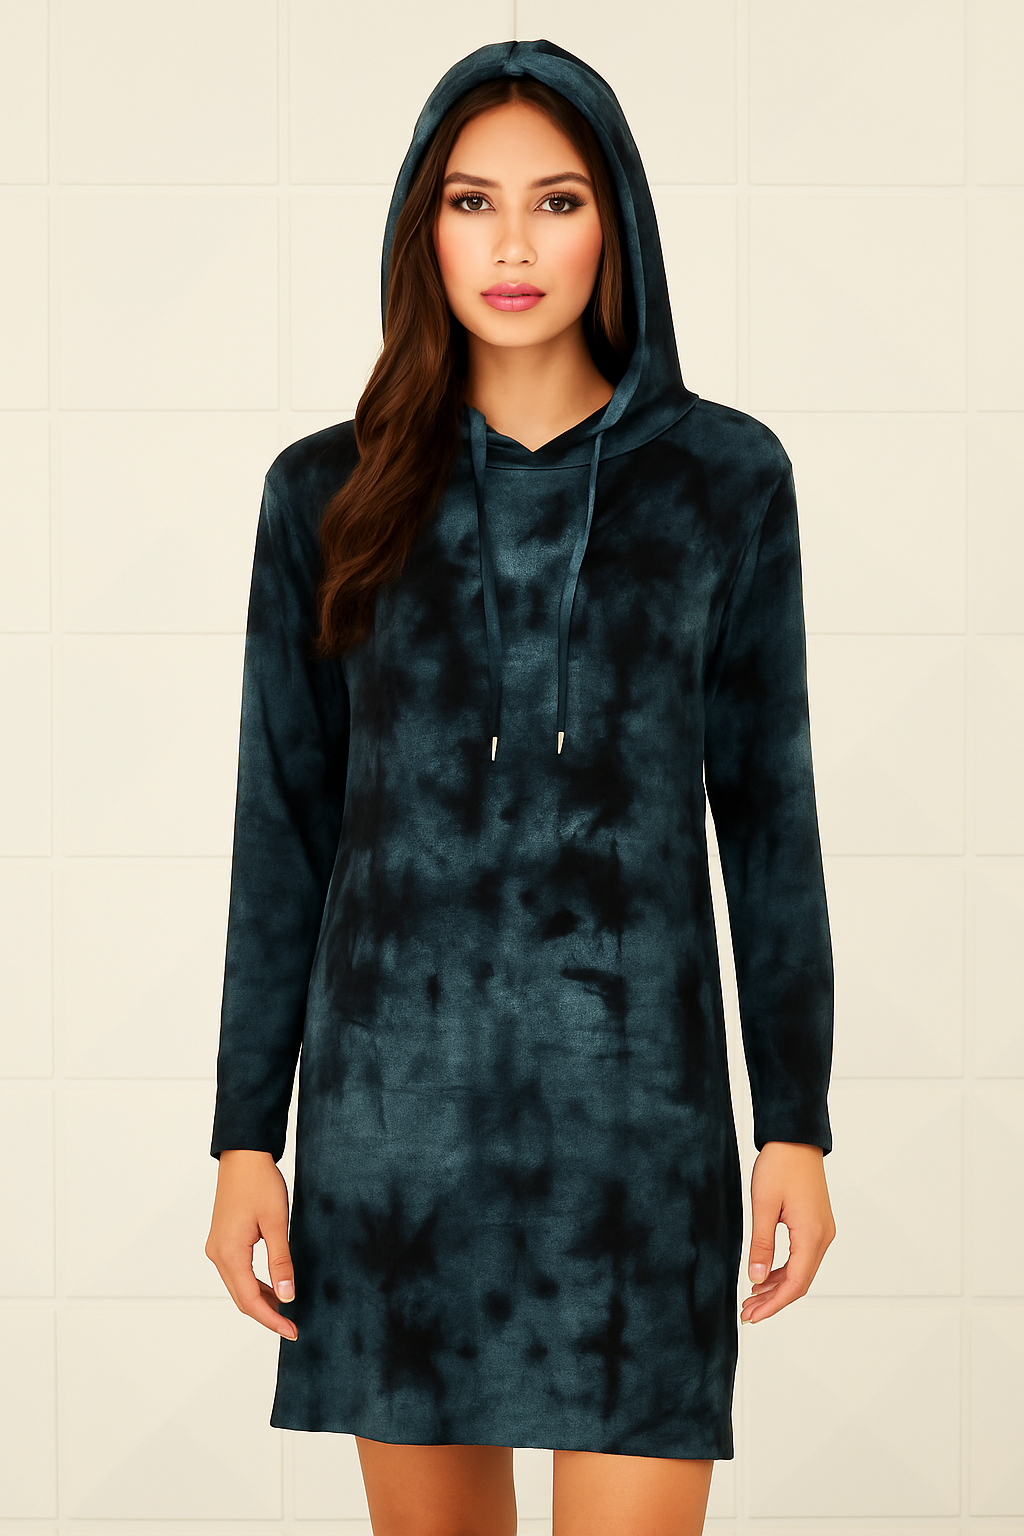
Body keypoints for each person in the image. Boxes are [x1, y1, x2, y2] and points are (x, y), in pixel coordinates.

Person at [205, 38, 836, 1536]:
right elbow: (282, 829)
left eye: (555, 202)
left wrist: (796, 1122)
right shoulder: (325, 492)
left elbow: (770, 818)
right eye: (471, 202)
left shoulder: (725, 481)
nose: (511, 245)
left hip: (638, 1137)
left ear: (616, 221)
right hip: (394, 1137)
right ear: (421, 228)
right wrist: (244, 1139)